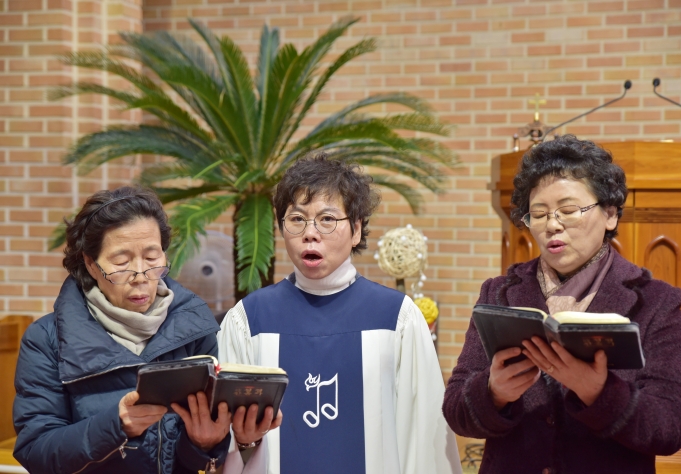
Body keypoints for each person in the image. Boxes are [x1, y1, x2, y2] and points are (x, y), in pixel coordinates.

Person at [443, 135, 681, 474]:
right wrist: (493, 392)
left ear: (610, 214)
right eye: (539, 214)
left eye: (569, 211)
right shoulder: (498, 293)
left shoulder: (656, 302)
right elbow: (455, 411)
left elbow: (671, 428)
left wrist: (599, 393)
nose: (552, 225)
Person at [217, 154, 462, 474]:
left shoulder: (397, 319)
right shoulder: (249, 321)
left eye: (327, 219)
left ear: (356, 229)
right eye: (297, 219)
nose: (310, 233)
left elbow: (425, 438)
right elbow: (226, 440)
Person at [13, 186, 232, 474]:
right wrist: (114, 426)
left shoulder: (195, 327)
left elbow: (198, 459)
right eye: (121, 262)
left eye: (152, 258)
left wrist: (204, 444)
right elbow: (36, 451)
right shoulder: (47, 339)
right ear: (90, 264)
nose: (140, 276)